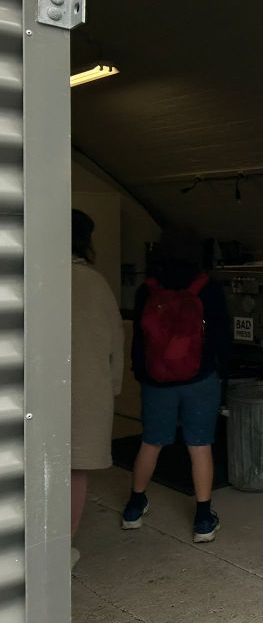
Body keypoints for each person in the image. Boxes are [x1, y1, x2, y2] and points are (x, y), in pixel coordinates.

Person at [121, 228, 231, 543]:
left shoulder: (147, 289)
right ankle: (203, 520)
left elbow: (139, 340)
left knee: (151, 442)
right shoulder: (208, 288)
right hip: (200, 379)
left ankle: (134, 508)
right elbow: (222, 336)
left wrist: (141, 373)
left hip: (157, 381)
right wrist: (222, 370)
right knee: (200, 445)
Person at [70, 209, 125, 567]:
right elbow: (115, 342)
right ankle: (63, 546)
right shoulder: (95, 283)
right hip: (86, 392)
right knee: (75, 469)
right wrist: (113, 388)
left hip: (33, 394)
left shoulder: (31, 275)